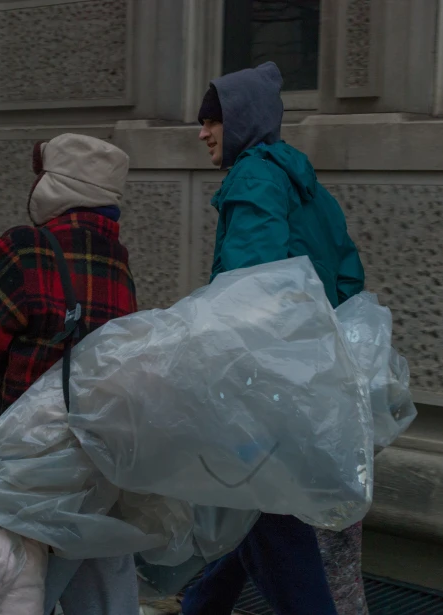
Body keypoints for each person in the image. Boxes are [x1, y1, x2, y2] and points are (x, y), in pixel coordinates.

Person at [182, 62, 368, 615]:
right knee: (244, 525)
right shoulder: (305, 184)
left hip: (269, 401)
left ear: (239, 122)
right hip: (314, 388)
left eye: (212, 120)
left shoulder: (255, 174)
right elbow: (349, 279)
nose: (202, 132)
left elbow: (247, 289)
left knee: (272, 526)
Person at [0, 132, 140, 615]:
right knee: (101, 591)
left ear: (53, 186)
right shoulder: (118, 266)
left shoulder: (25, 249)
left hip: (21, 467)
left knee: (13, 591)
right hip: (93, 466)